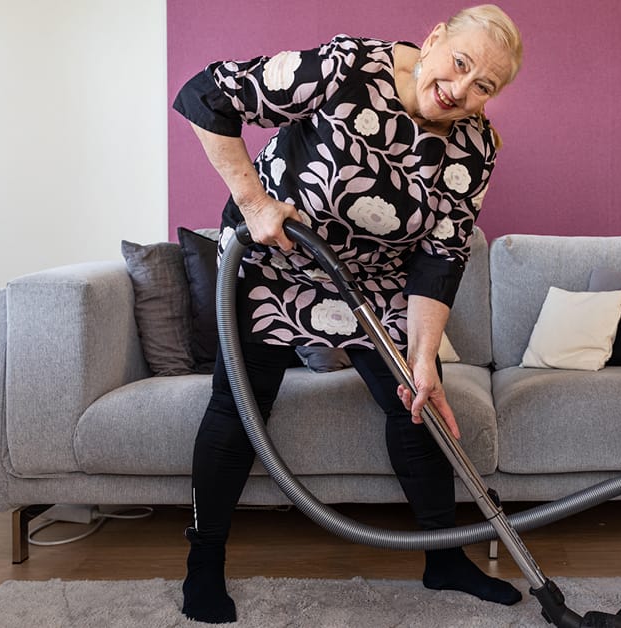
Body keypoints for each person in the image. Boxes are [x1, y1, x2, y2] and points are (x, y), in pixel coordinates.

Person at [171, 5, 523, 624]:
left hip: (375, 286)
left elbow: (442, 256)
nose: (460, 90)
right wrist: (253, 202)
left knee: (417, 411)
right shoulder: (347, 67)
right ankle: (204, 566)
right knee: (238, 409)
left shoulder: (478, 147)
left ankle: (443, 559)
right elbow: (206, 94)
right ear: (436, 38)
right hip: (272, 268)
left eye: (484, 87)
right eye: (460, 64)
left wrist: (421, 360)